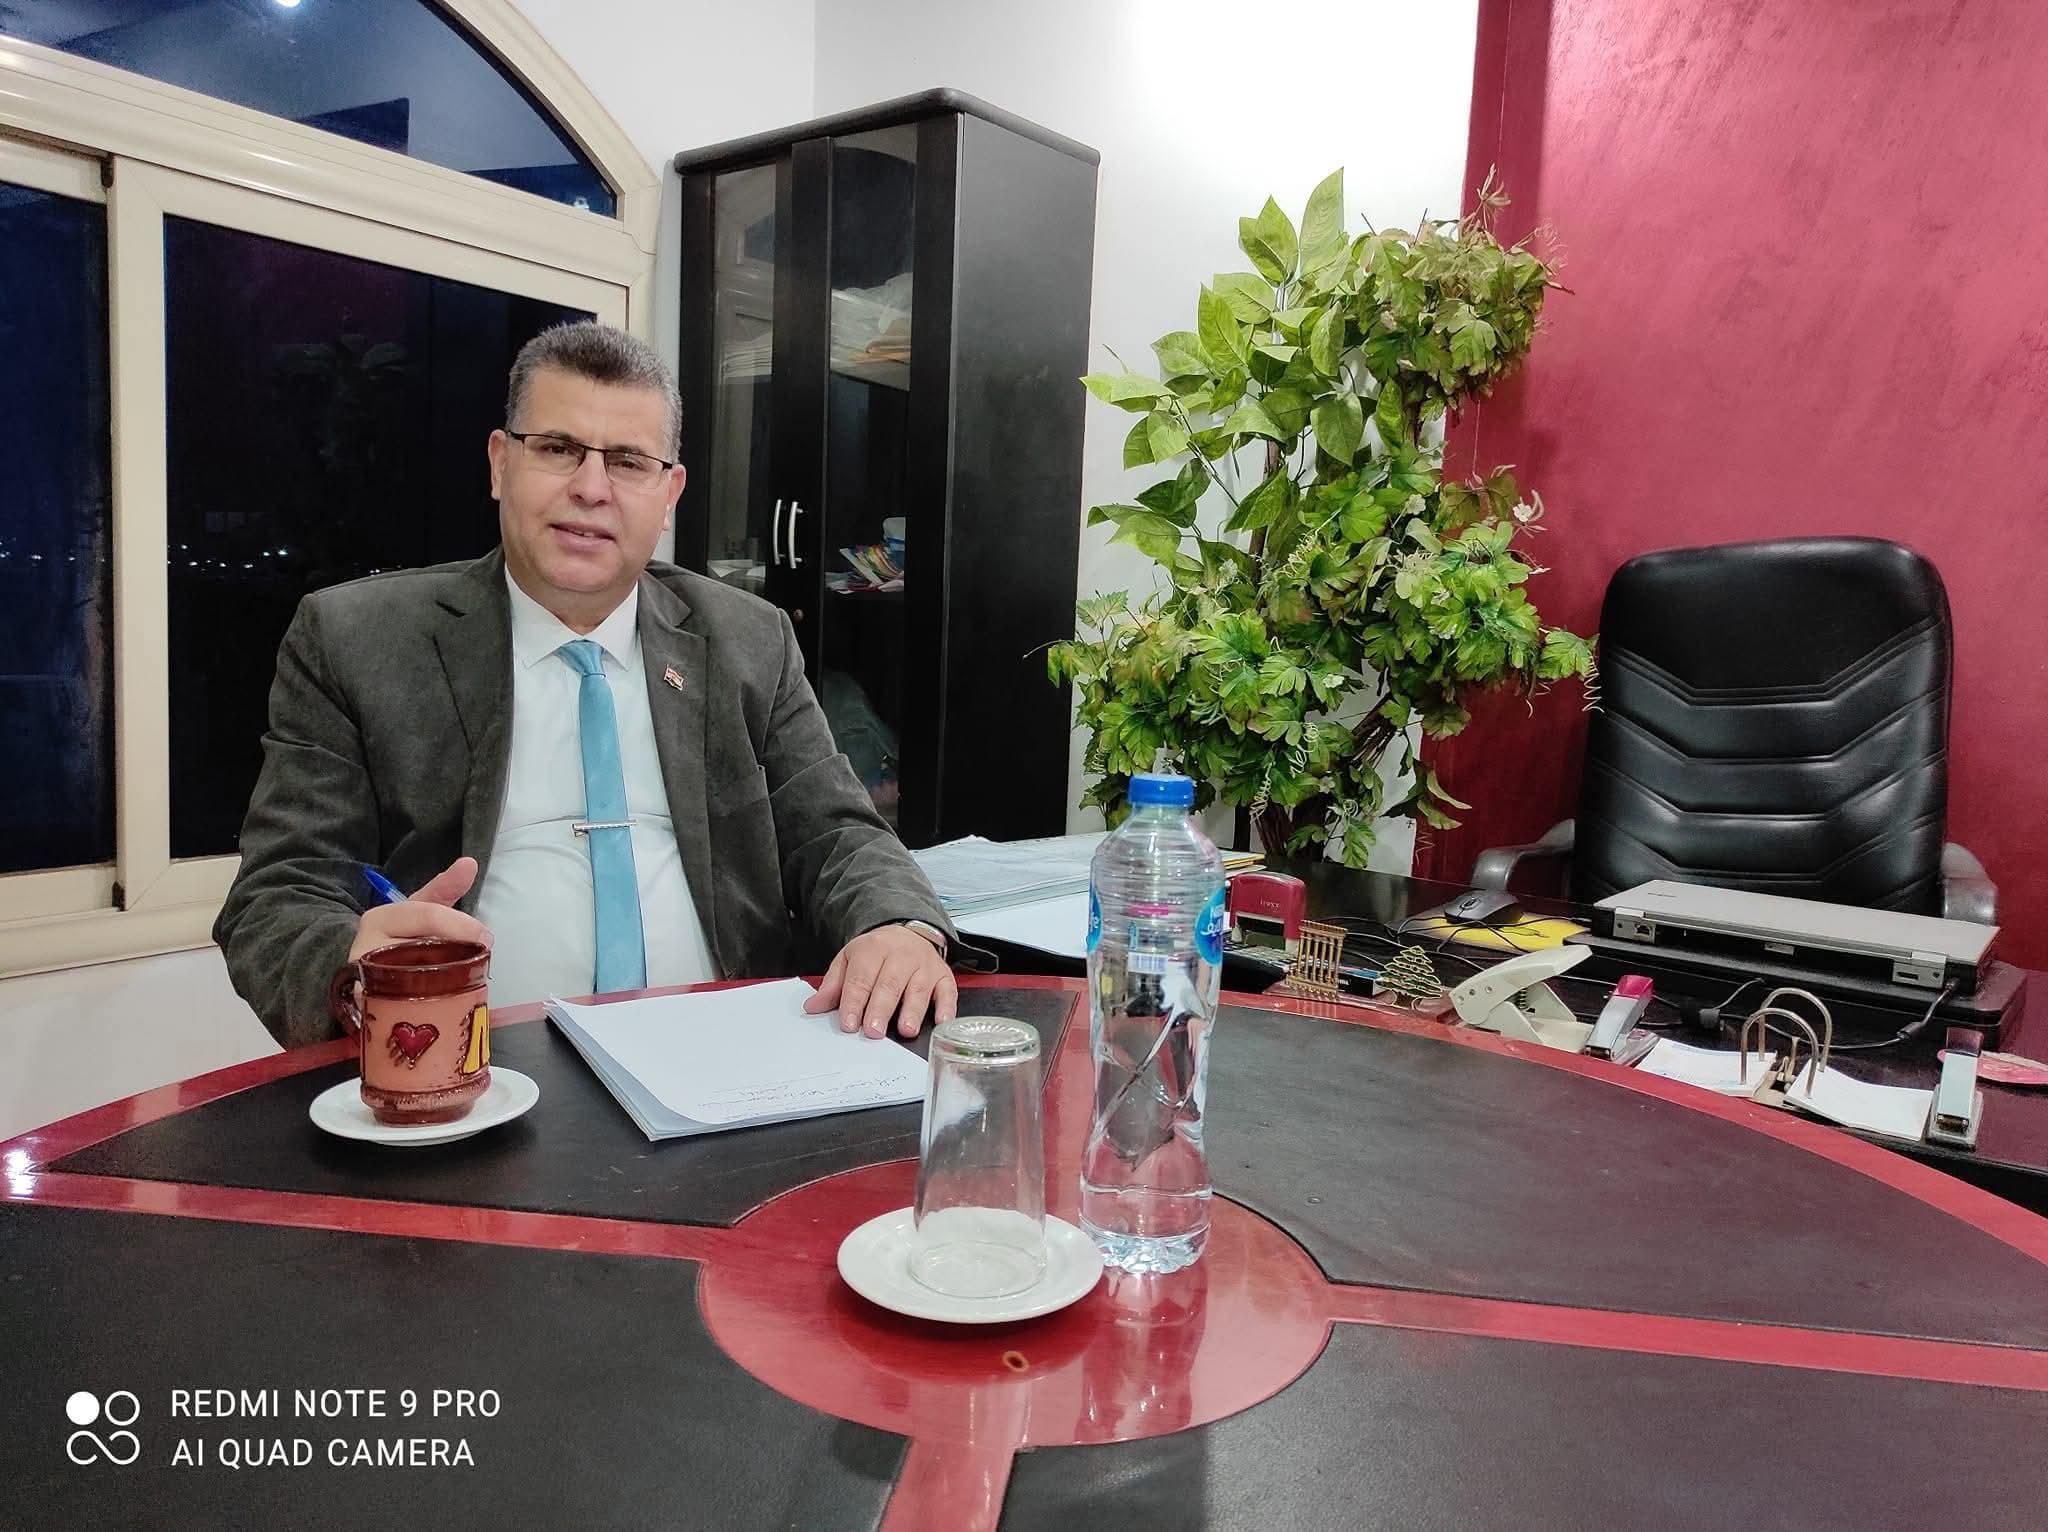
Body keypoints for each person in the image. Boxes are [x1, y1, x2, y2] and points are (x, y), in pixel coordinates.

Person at [215, 321, 961, 1049]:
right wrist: (351, 964)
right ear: (500, 464)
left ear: (669, 494)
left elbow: (836, 832)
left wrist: (898, 926)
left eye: (629, 462)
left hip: (723, 1058)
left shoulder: (748, 638)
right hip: (467, 1072)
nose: (591, 488)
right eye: (558, 449)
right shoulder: (357, 640)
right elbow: (279, 896)